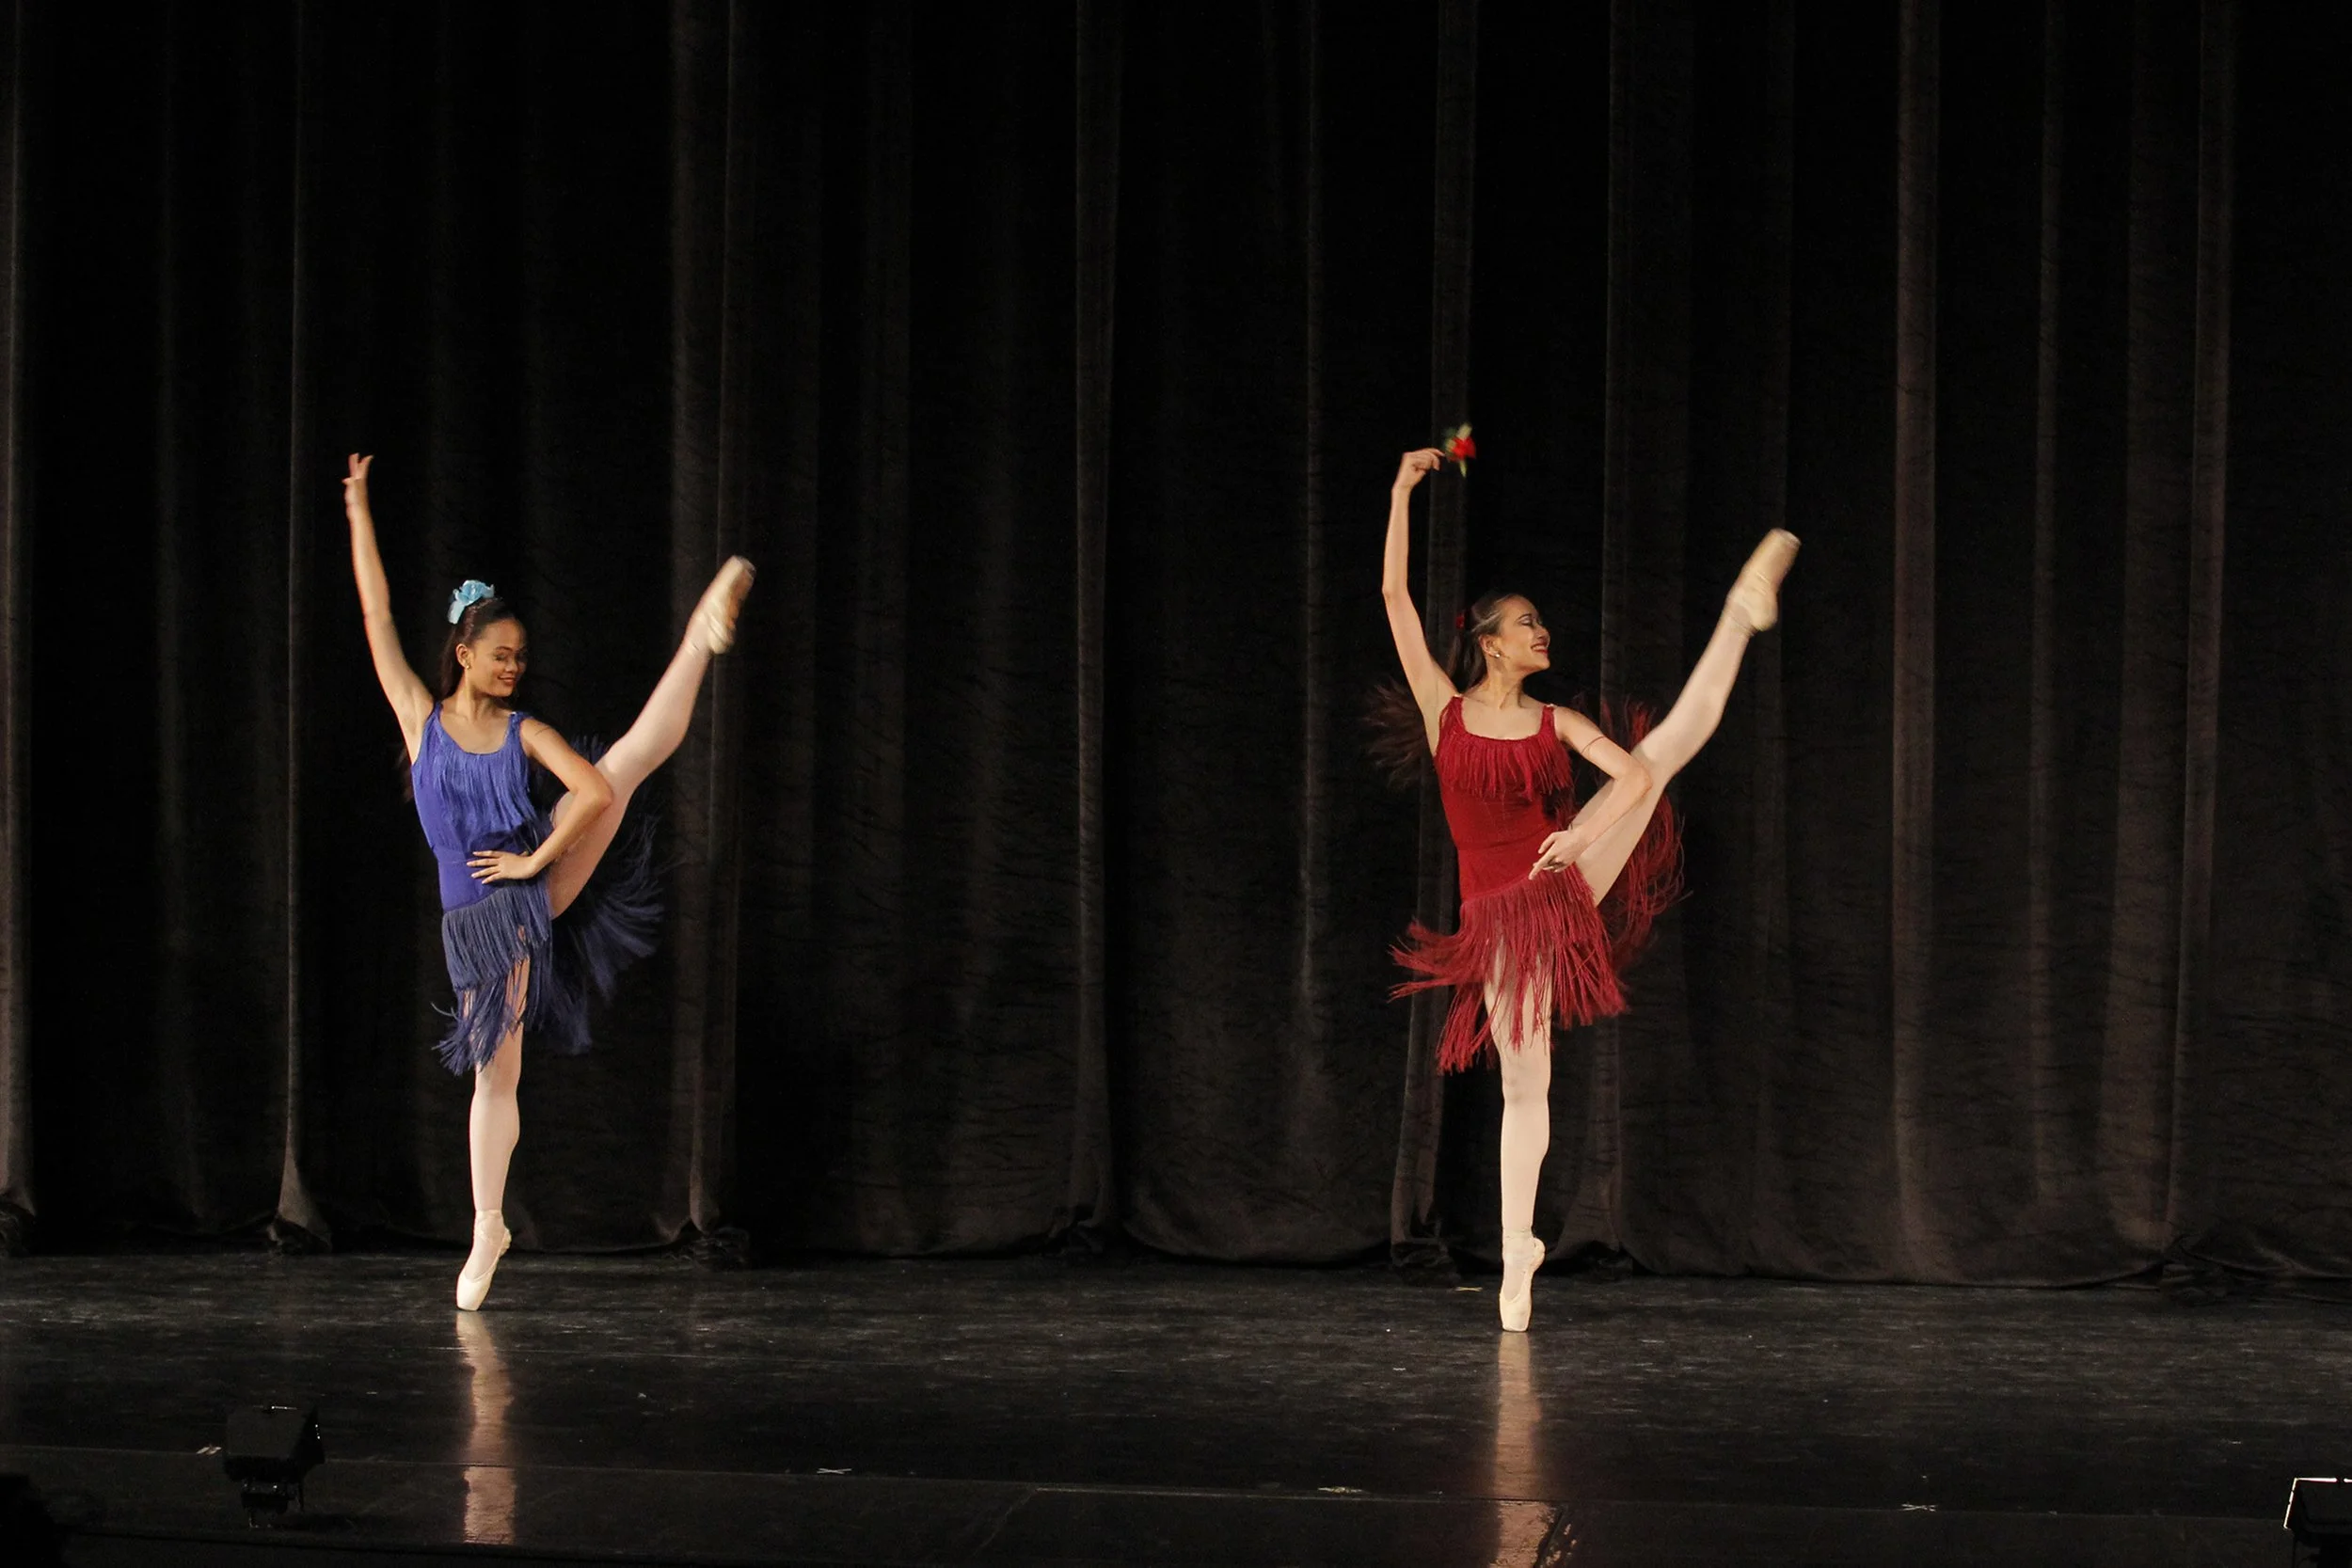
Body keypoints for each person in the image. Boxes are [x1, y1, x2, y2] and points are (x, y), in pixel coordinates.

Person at [1374, 447, 1797, 1331]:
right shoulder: (1442, 709)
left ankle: (1738, 615)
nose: (1542, 633)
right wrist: (1402, 491)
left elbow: (1636, 781)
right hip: (1498, 925)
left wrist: (1579, 835)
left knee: (1664, 748)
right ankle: (1518, 1249)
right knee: (1525, 1087)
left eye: (1541, 623)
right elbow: (1394, 601)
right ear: (1488, 642)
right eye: (1525, 624)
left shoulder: (1556, 721)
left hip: (1561, 882)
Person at [341, 453, 754, 1310]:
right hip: (472, 924)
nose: (512, 666)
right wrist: (357, 511)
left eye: (520, 656)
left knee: (626, 765)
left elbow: (591, 790)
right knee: (496, 1075)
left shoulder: (526, 730)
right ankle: (489, 1221)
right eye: (498, 654)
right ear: (461, 652)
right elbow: (376, 612)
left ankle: (701, 637)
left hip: (527, 898)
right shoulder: (422, 723)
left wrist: (534, 861)